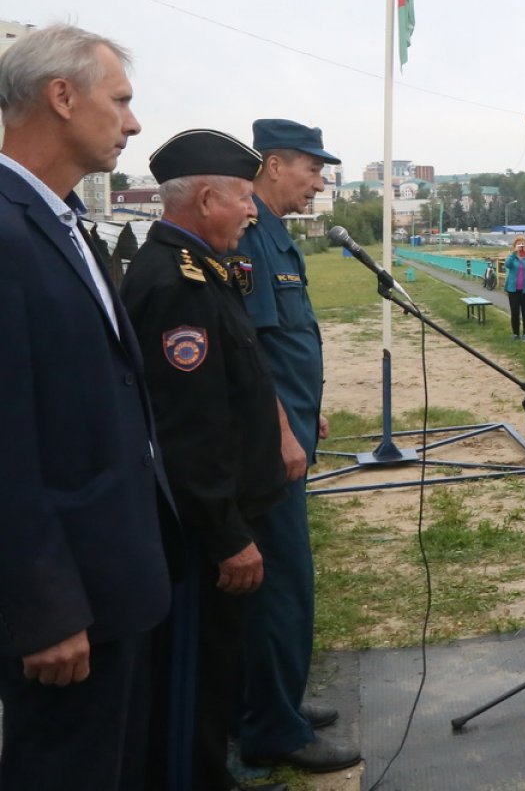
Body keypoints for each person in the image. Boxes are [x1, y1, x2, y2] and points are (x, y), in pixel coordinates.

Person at [0, 25, 175, 791]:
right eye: (121, 100)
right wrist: (42, 606)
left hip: (112, 583)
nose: (133, 123)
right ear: (63, 97)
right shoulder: (7, 233)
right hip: (64, 607)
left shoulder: (62, 222)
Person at [122, 130, 289, 791]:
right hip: (200, 538)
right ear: (208, 199)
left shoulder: (201, 268)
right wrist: (226, 536)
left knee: (216, 671)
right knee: (193, 676)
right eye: (244, 197)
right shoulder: (178, 284)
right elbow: (187, 429)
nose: (252, 211)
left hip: (218, 519)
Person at [231, 119, 362, 773]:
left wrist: (307, 413)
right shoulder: (250, 234)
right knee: (283, 584)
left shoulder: (274, 233)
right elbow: (251, 351)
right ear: (275, 164)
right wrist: (284, 428)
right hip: (269, 447)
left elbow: (287, 344)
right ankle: (272, 728)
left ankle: (277, 702)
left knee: (285, 582)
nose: (319, 184)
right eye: (312, 170)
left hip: (290, 427)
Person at [503, 237, 525, 341]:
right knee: (515, 312)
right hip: (513, 290)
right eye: (519, 244)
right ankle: (515, 333)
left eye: (523, 244)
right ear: (515, 246)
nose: (521, 246)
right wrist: (514, 253)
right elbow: (507, 265)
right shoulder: (512, 257)